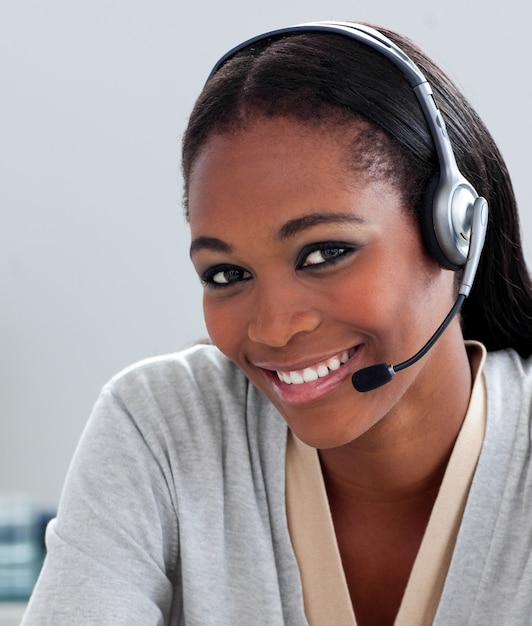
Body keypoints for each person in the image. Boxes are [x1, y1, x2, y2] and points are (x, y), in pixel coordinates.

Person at [22, 20, 532, 626]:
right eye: (227, 275)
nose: (273, 329)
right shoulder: (160, 429)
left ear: (455, 235)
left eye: (324, 254)